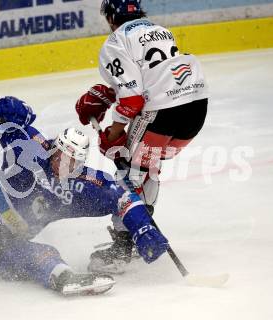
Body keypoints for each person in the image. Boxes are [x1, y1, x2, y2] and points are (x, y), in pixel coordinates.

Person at [0, 96, 169, 294]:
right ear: (55, 148)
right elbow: (13, 122)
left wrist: (141, 226)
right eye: (61, 155)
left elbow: (122, 196)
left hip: (1, 246)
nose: (64, 164)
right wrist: (17, 110)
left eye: (72, 162)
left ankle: (62, 277)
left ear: (81, 163)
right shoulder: (29, 152)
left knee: (38, 253)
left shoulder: (83, 187)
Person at [75, 0, 209, 271]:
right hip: (196, 108)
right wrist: (110, 95)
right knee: (147, 169)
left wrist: (114, 131)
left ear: (112, 17)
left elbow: (134, 99)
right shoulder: (160, 30)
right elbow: (152, 77)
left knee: (127, 171)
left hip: (163, 112)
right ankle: (140, 231)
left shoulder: (116, 41)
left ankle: (122, 248)